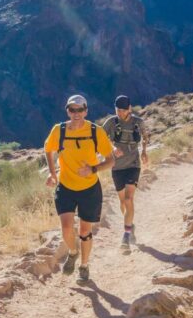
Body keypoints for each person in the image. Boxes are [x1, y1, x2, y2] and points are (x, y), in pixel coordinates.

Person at [44, 94, 115, 285]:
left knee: (85, 231)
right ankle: (73, 253)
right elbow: (48, 150)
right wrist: (52, 174)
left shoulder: (95, 131)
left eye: (80, 109)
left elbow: (110, 160)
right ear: (67, 110)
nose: (76, 113)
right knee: (66, 227)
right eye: (72, 109)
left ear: (86, 111)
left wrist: (93, 169)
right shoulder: (58, 130)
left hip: (89, 188)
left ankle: (84, 266)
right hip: (66, 186)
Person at [100, 95, 150, 251]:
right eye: (117, 110)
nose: (120, 113)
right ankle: (130, 225)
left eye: (123, 110)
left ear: (129, 108)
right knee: (122, 202)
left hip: (133, 164)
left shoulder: (138, 122)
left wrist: (144, 152)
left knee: (129, 199)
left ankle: (126, 235)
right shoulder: (111, 122)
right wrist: (112, 148)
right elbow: (101, 138)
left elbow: (145, 137)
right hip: (116, 166)